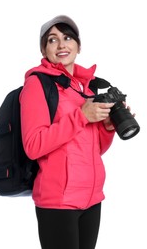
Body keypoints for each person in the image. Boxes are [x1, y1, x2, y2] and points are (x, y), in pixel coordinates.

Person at [20, 15, 129, 249]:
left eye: (68, 38)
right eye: (52, 40)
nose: (61, 45)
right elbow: (33, 145)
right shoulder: (37, 85)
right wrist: (81, 116)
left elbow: (94, 149)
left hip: (92, 198)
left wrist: (107, 128)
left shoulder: (85, 87)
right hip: (58, 202)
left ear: (78, 46)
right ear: (43, 49)